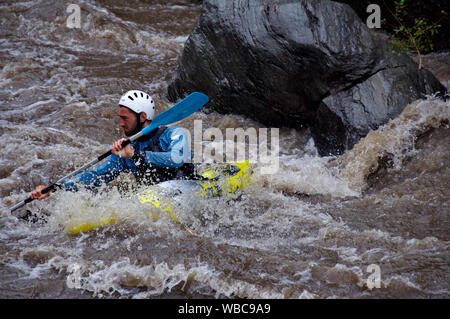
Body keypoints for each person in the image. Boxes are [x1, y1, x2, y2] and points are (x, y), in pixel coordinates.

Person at [31, 90, 193, 200]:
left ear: (142, 117)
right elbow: (96, 176)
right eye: (120, 118)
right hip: (156, 197)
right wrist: (55, 188)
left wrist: (136, 155)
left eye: (125, 118)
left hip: (188, 188)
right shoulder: (126, 152)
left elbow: (177, 158)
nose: (121, 124)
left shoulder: (174, 134)